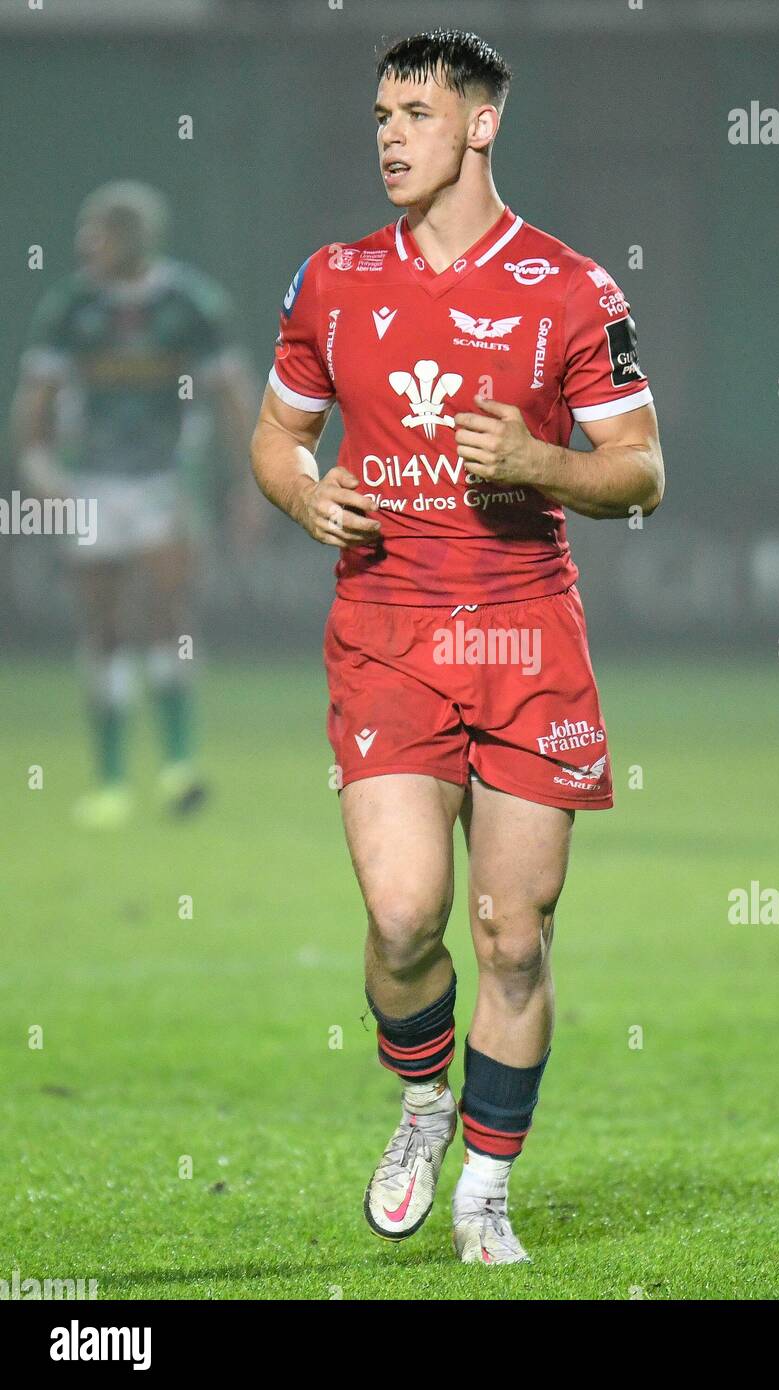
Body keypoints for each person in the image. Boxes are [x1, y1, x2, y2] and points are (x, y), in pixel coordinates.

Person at [250, 28, 665, 1264]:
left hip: (529, 629)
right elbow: (277, 435)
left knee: (515, 937)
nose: (389, 134)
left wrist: (539, 463)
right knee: (401, 917)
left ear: (481, 125)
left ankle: (487, 1187)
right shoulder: (331, 278)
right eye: (381, 112)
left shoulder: (571, 287)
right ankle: (424, 1102)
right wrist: (301, 493)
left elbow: (642, 471)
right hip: (386, 625)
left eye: (417, 113)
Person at [14, 181, 258, 828]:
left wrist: (248, 482)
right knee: (103, 630)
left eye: (99, 233)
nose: (85, 245)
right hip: (88, 481)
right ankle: (111, 784)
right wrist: (39, 470)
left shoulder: (190, 305)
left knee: (168, 616)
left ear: (133, 239)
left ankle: (180, 766)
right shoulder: (70, 309)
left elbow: (232, 396)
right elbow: (34, 404)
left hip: (165, 481)